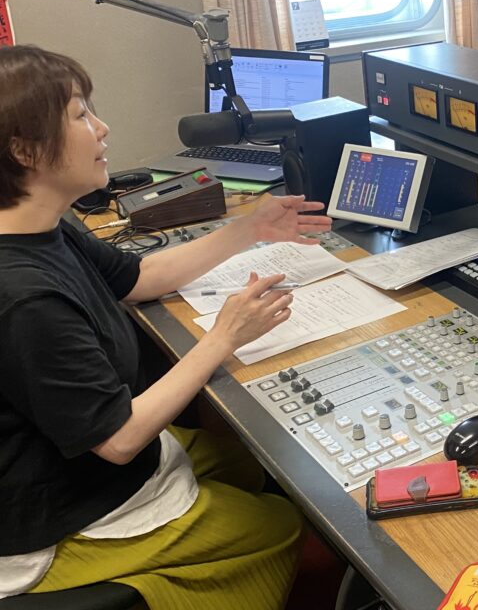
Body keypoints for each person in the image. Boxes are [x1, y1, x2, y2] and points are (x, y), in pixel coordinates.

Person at [0, 45, 334, 607]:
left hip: (82, 461)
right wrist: (224, 337)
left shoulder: (42, 224)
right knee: (279, 524)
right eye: (80, 115)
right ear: (25, 150)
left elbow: (138, 276)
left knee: (255, 463)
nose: (102, 128)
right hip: (57, 512)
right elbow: (118, 440)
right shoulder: (24, 298)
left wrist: (250, 229)